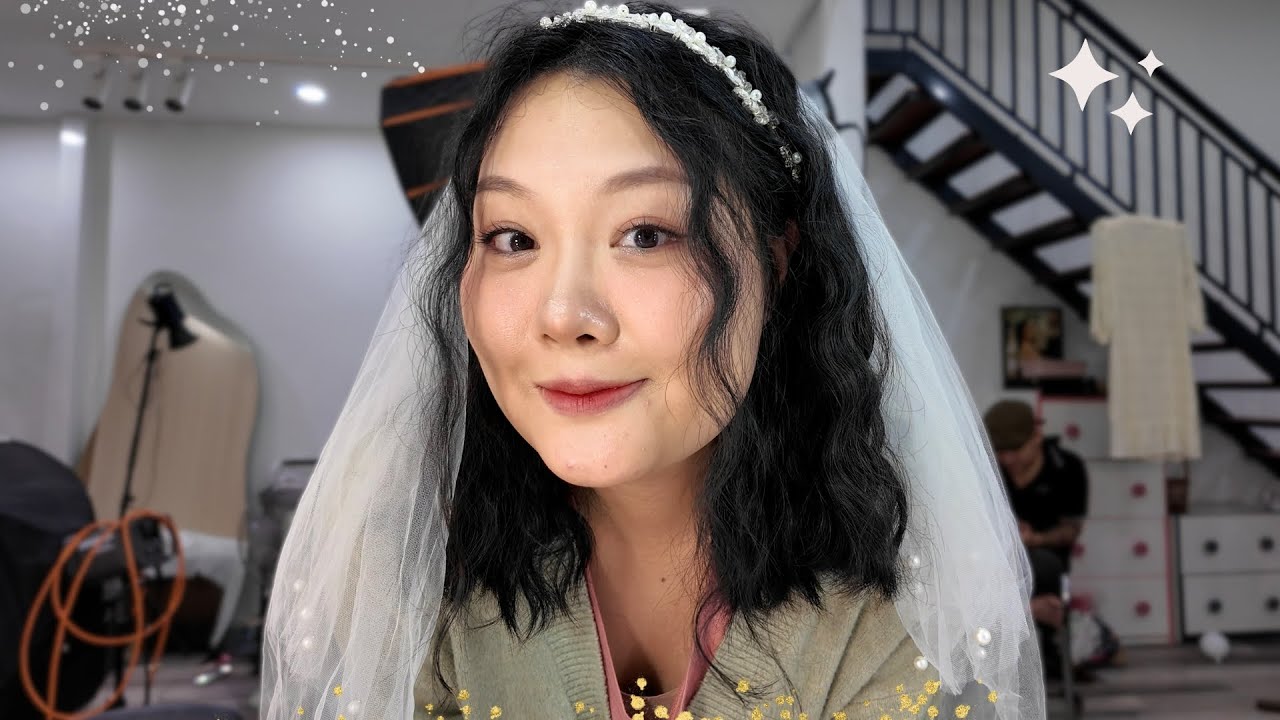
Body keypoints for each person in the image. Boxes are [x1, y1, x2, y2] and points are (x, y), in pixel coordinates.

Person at [259, 4, 1046, 720]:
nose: (563, 315)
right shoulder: (406, 594)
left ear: (776, 265)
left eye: (646, 234)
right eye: (513, 237)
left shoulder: (903, 629)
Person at [983, 399, 1089, 680]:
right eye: (1001, 452)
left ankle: (1044, 646)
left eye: (1016, 451)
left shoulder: (1067, 468)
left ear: (1037, 437)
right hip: (994, 559)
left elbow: (1071, 531)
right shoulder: (989, 469)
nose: (1008, 460)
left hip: (1046, 560)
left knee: (1041, 567)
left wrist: (1035, 539)